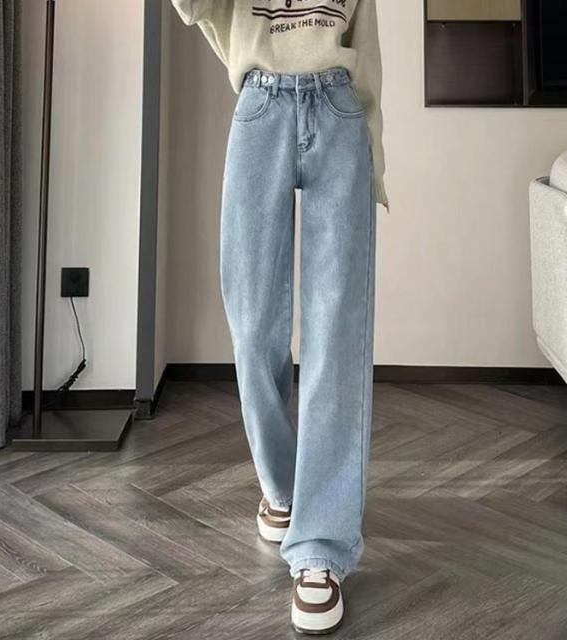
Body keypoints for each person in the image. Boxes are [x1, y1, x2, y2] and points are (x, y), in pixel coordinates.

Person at [171, 0, 388, 634]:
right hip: (260, 108)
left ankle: (320, 547)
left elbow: (367, 50)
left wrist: (375, 156)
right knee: (252, 320)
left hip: (340, 107)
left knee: (336, 334)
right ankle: (283, 486)